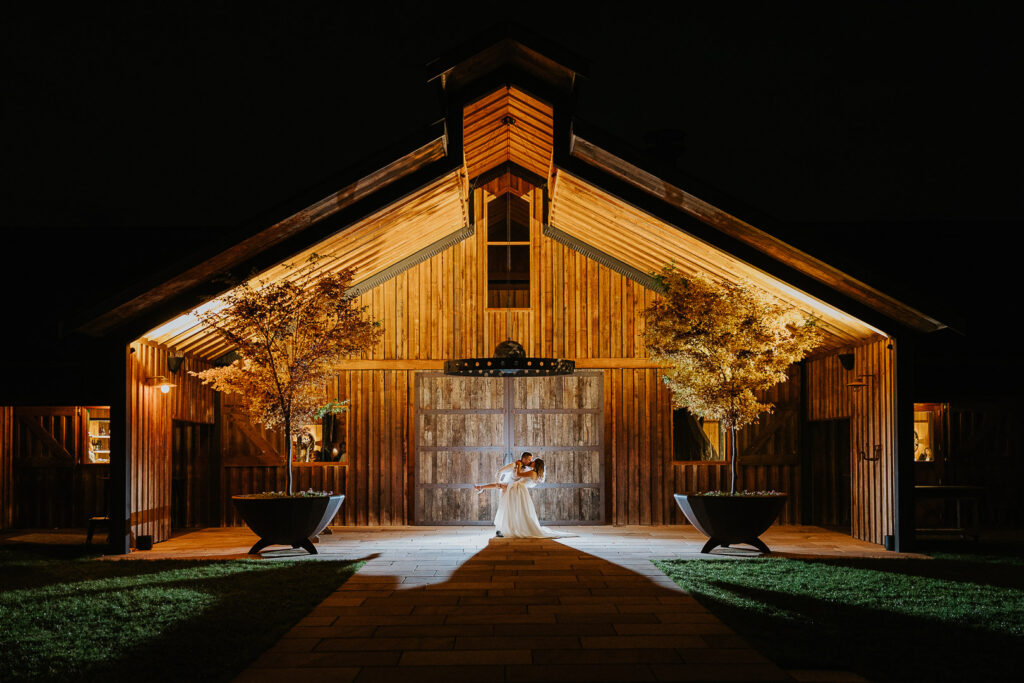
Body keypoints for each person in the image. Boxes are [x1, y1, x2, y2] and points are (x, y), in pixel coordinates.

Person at [477, 458, 574, 539]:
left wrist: (518, 464)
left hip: (518, 488)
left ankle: (512, 528)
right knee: (517, 507)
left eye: (533, 461)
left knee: (512, 505)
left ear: (536, 464)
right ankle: (482, 488)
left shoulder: (532, 473)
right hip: (518, 488)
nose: (531, 462)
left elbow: (519, 474)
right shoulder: (534, 473)